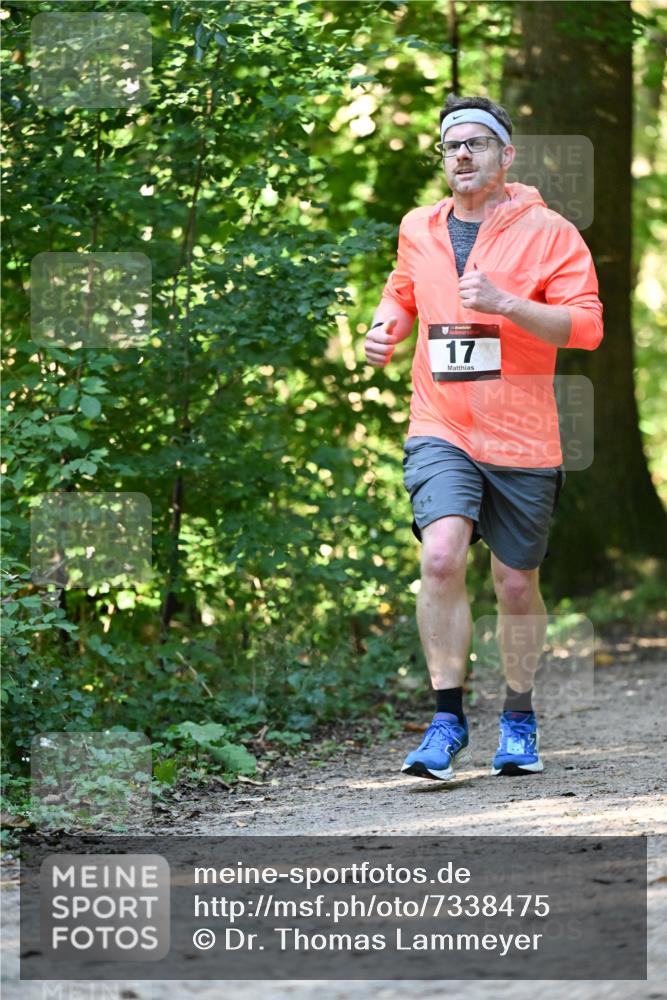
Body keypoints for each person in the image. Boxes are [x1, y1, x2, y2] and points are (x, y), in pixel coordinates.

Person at [365, 94, 603, 779]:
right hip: (441, 424)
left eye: (476, 143)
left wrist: (506, 304)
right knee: (440, 557)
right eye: (451, 146)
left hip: (523, 435)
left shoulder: (550, 232)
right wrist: (386, 328)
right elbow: (402, 292)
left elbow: (584, 328)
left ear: (506, 155)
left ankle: (520, 718)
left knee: (514, 583)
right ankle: (444, 722)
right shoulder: (418, 227)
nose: (462, 155)